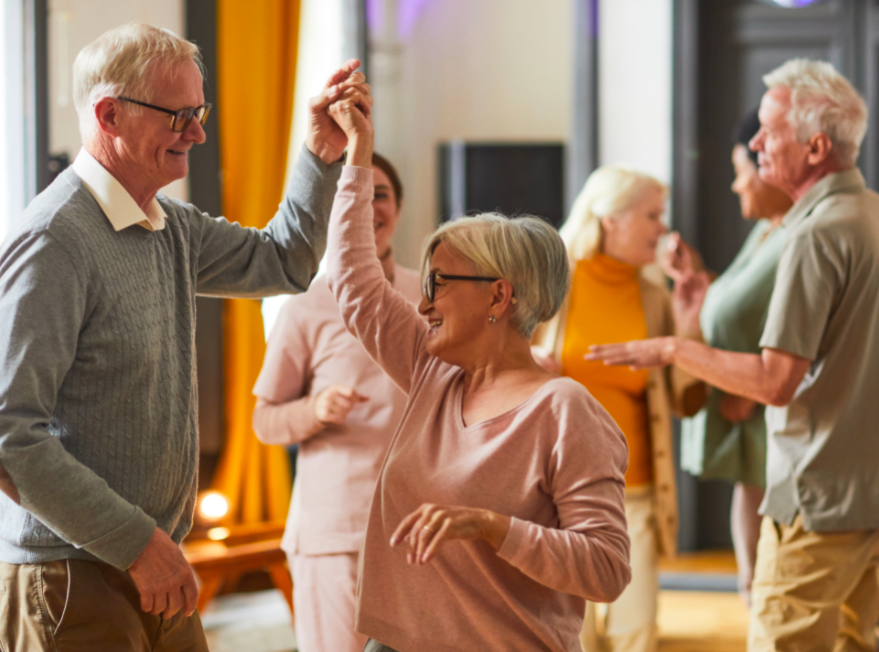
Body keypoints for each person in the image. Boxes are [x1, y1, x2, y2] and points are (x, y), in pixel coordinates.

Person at [0, 23, 368, 651]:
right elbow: (9, 437)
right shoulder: (54, 241)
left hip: (148, 560)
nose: (197, 133)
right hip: (73, 574)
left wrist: (318, 155)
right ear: (109, 115)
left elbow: (284, 262)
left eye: (199, 112)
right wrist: (138, 545)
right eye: (178, 116)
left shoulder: (169, 224)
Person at [590, 58, 879, 651]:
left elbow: (773, 381)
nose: (755, 144)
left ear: (816, 147)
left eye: (769, 131)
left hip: (818, 500)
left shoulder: (814, 233)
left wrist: (671, 347)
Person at [322, 85, 632, 652]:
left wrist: (492, 527)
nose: (423, 301)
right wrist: (358, 153)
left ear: (499, 297)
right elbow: (355, 282)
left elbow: (607, 567)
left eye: (439, 283)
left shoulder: (563, 410)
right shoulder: (431, 371)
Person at [252, 152, 421, 652]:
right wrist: (316, 409)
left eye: (382, 194)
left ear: (399, 208)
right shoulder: (305, 305)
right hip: (336, 531)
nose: (370, 206)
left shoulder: (431, 297)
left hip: (420, 528)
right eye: (356, 194)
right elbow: (265, 421)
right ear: (334, 209)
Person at [533, 167, 705, 652]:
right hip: (556, 493)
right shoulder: (549, 286)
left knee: (637, 635)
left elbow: (687, 401)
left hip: (637, 496)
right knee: (569, 637)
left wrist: (688, 327)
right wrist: (526, 362)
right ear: (610, 218)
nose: (662, 229)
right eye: (652, 215)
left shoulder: (654, 296)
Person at [664, 110, 794, 607]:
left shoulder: (796, 239)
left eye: (742, 168)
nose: (737, 184)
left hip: (767, 409)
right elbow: (744, 301)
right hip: (748, 412)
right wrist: (698, 279)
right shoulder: (765, 231)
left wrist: (756, 397)